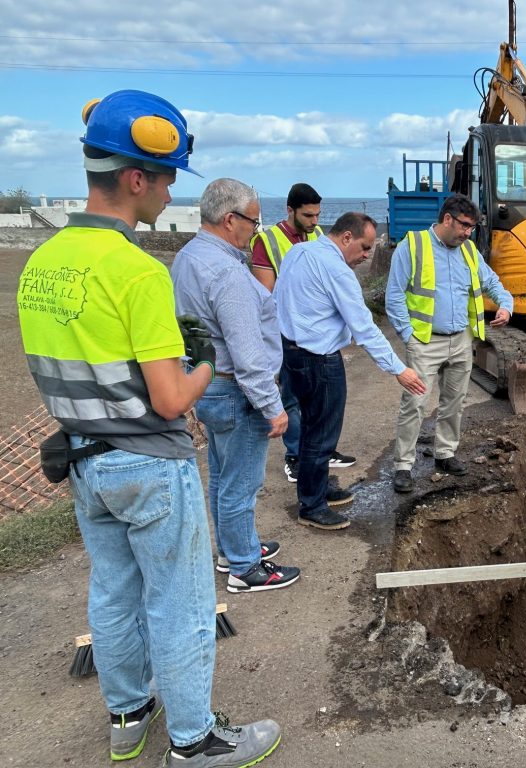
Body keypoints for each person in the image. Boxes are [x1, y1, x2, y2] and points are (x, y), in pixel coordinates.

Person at [16, 90, 280, 765]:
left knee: (113, 593)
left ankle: (128, 717)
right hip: (148, 467)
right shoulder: (138, 271)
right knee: (182, 602)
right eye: (166, 181)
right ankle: (195, 742)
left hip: (82, 461)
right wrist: (206, 361)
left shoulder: (41, 265)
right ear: (137, 177)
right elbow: (169, 399)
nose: (168, 195)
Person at [171, 178, 300, 593]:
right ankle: (245, 569)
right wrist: (272, 406)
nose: (256, 231)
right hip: (234, 390)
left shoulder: (189, 257)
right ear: (230, 220)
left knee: (224, 476)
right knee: (241, 483)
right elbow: (247, 353)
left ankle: (233, 549)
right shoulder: (227, 272)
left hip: (207, 384)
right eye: (253, 222)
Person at [275, 212, 426, 529]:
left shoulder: (300, 251)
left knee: (311, 427)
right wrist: (399, 369)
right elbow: (366, 329)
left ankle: (315, 486)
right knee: (322, 433)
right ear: (346, 237)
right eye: (365, 247)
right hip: (320, 359)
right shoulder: (337, 272)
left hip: (292, 352)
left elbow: (278, 300)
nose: (367, 256)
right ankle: (312, 506)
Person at [385, 194, 514, 493]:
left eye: (472, 227)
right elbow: (394, 295)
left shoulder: (468, 251)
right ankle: (403, 466)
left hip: (460, 340)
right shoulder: (413, 246)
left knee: (454, 402)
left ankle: (445, 454)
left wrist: (506, 305)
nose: (469, 232)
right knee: (415, 404)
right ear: (447, 219)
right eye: (465, 226)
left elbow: (492, 282)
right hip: (425, 341)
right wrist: (409, 335)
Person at [250, 183, 354, 481]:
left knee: (315, 400)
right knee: (291, 399)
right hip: (284, 334)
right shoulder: (267, 241)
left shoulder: (318, 236)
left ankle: (318, 451)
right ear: (290, 210)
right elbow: (263, 296)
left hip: (314, 335)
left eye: (317, 215)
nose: (314, 222)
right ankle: (295, 455)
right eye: (308, 215)